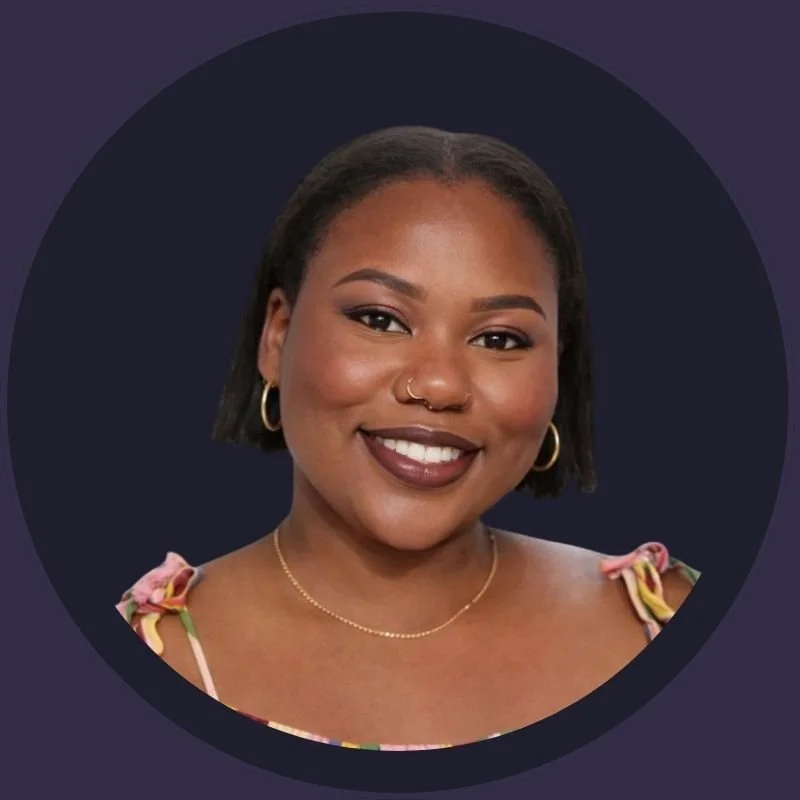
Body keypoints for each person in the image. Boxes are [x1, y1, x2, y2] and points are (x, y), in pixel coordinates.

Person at [117, 126, 698, 750]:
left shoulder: (662, 621)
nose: (440, 384)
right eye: (380, 319)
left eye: (500, 339)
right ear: (277, 337)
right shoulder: (150, 657)